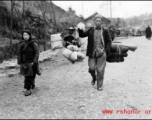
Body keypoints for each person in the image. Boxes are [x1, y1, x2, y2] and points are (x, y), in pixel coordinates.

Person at [77, 14, 112, 91]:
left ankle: (99, 86)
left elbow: (109, 41)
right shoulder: (91, 30)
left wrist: (106, 50)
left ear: (101, 22)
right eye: (97, 21)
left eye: (99, 21)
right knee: (91, 67)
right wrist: (80, 28)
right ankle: (94, 78)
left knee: (100, 70)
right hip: (92, 52)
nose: (98, 22)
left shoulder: (105, 31)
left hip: (102, 53)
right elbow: (82, 35)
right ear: (94, 21)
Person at [17, 29, 40, 96]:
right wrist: (20, 62)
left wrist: (34, 61)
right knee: (27, 76)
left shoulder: (34, 43)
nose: (25, 36)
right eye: (24, 35)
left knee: (32, 75)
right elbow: (19, 53)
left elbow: (36, 53)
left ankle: (30, 87)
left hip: (32, 62)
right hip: (25, 62)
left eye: (26, 35)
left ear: (30, 36)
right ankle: (28, 88)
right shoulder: (21, 44)